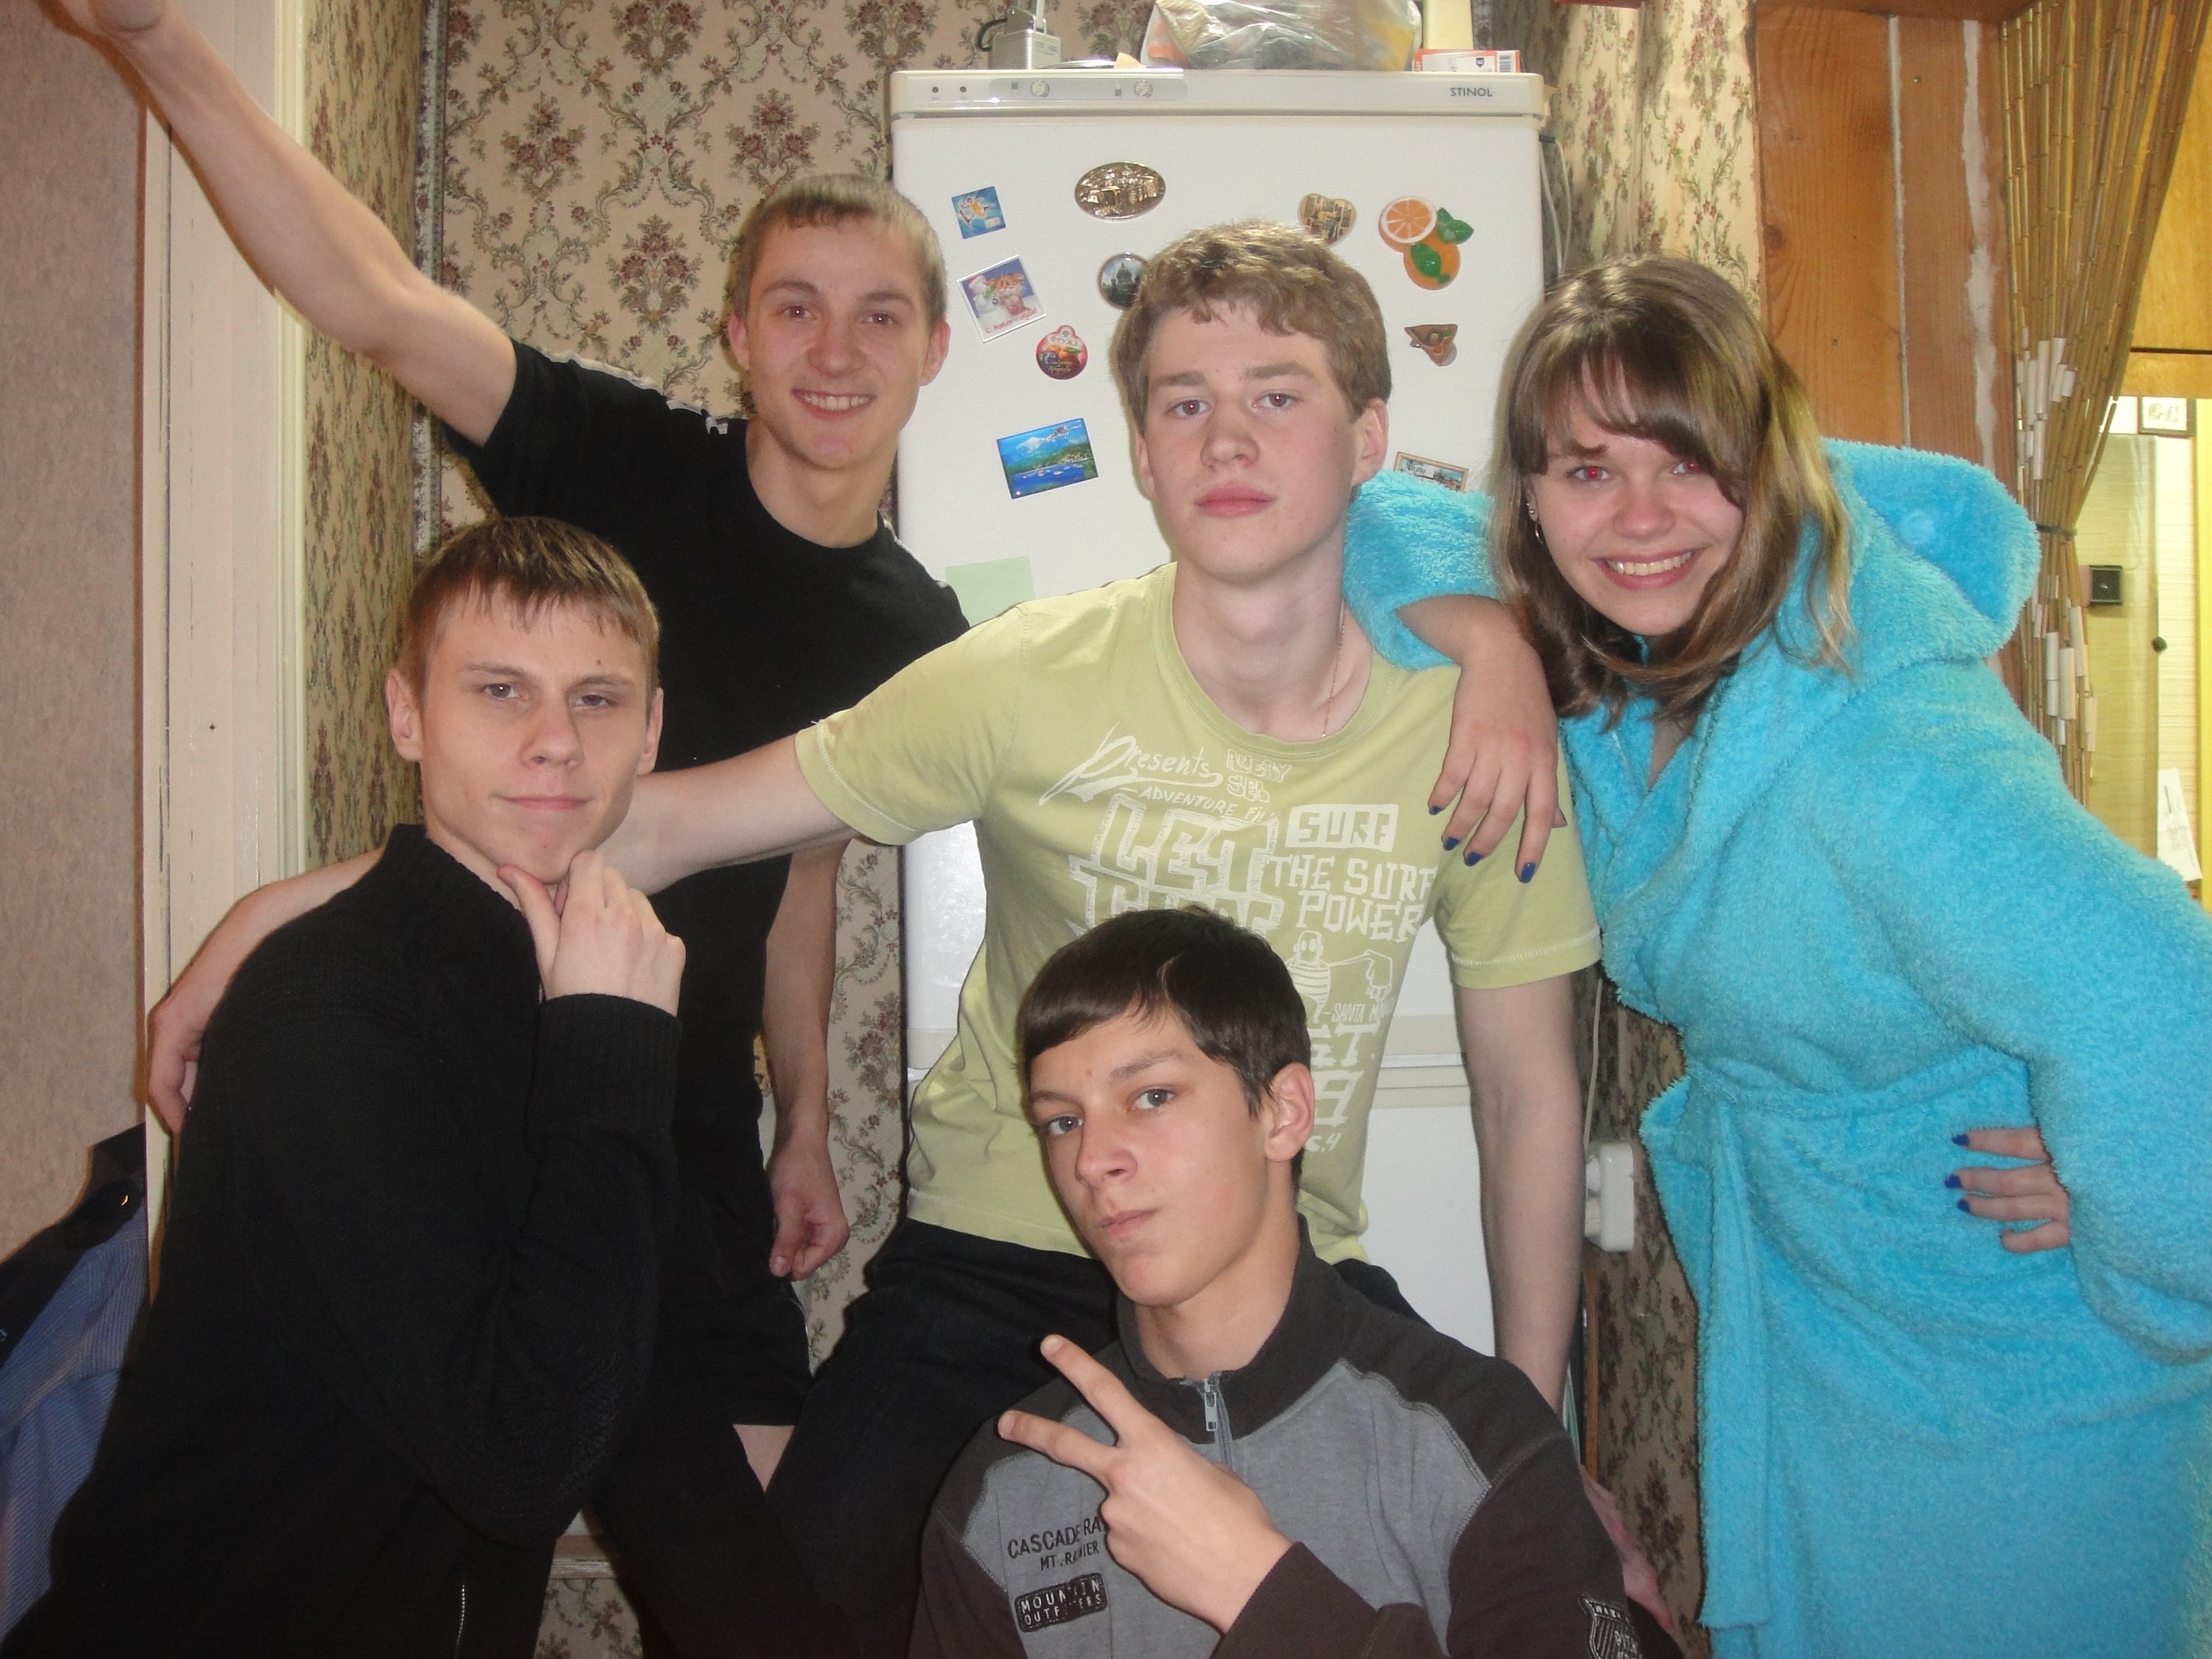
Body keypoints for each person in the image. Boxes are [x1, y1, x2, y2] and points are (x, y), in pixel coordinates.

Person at [542, 219, 1605, 1654]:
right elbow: (669, 826)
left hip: (1284, 1282)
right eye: (1185, 402)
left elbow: (1529, 1092)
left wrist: (1537, 1437)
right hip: (998, 1261)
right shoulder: (1023, 678)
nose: (1228, 437)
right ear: (1144, 453)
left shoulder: (1477, 741)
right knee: (794, 1625)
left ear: (1368, 439)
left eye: (1277, 394)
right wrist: (361, 903)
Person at [56, 0, 967, 1642]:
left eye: (880, 314)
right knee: (441, 1501)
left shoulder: (919, 631)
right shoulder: (624, 463)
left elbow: (798, 869)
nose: (836, 351)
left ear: (935, 351)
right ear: (736, 333)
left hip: (683, 1130)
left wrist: (803, 1118)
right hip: (489, 1091)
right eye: (796, 307)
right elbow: (376, 303)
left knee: (758, 1596)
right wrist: (165, 44)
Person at [1336, 255, 2212, 1657]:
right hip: (1840, 1345)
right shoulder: (1635, 686)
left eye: (1692, 466)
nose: (1639, 519)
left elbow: (2164, 994)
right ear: (1533, 499)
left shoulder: (1884, 742)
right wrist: (1491, 647)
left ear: (1775, 473)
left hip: (2026, 1387)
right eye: (1588, 471)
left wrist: (2136, 1228)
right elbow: (1377, 511)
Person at [2, 519, 711, 1657]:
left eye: (597, 699)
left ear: (652, 731)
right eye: (499, 691)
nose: (554, 743)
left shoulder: (570, 982)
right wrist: (613, 1059)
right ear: (405, 715)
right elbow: (522, 1457)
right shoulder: (327, 1012)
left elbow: (624, 1370)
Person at [912, 906, 1668, 1659]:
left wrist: (1259, 1592)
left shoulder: (1479, 1437)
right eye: (1063, 1121)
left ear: (1284, 1113)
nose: (1091, 1160)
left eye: (1152, 1096)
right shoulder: (1007, 1486)